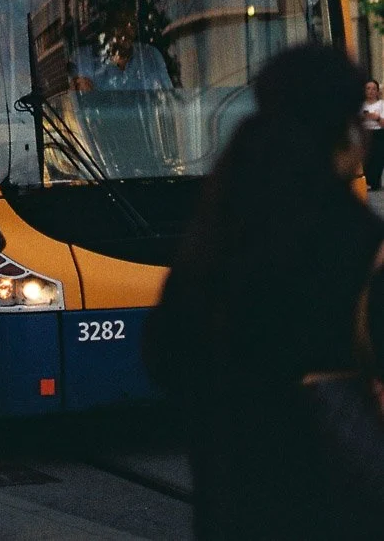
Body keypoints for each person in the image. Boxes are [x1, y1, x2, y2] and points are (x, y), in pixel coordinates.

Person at [145, 43, 384, 541]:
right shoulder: (353, 238)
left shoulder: (221, 218)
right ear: (341, 129)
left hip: (231, 500)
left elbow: (163, 352)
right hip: (328, 502)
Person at [362, 78, 384, 190]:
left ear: (377, 91)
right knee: (365, 159)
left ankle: (375, 182)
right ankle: (366, 182)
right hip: (364, 134)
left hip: (378, 134)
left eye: (373, 89)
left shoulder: (381, 104)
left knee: (377, 159)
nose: (370, 91)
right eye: (368, 88)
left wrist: (376, 117)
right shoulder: (360, 104)